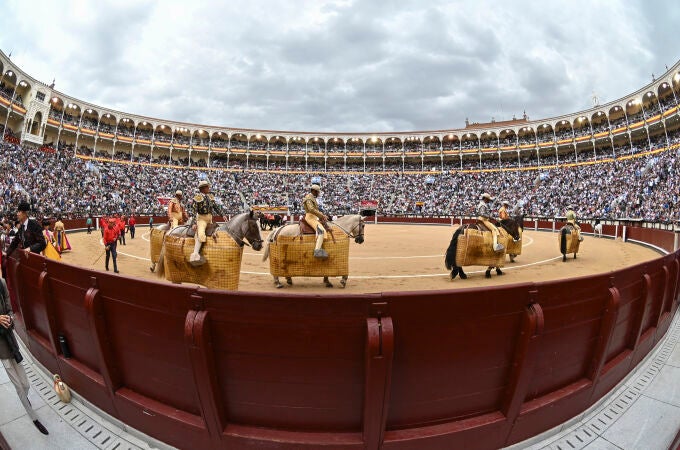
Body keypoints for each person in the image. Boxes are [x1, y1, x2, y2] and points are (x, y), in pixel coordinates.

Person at [0, 278, 49, 435]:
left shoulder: (1, 283)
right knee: (19, 387)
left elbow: (10, 309)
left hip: (11, 341)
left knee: (26, 385)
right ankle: (34, 417)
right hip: (1, 348)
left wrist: (9, 319)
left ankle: (25, 399)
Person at [189, 180, 222, 264]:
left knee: (217, 232)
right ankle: (195, 254)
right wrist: (193, 223)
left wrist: (223, 215)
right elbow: (193, 211)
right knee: (201, 235)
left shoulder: (210, 196)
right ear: (203, 188)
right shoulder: (197, 197)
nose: (208, 188)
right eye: (207, 187)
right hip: (201, 219)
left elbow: (215, 207)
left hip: (210, 219)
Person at [303, 184, 329, 259]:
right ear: (314, 191)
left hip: (314, 217)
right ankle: (317, 250)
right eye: (317, 192)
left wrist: (321, 216)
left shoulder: (311, 198)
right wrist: (322, 216)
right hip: (310, 217)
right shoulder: (308, 198)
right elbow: (311, 209)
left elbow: (315, 210)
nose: (318, 193)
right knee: (321, 231)